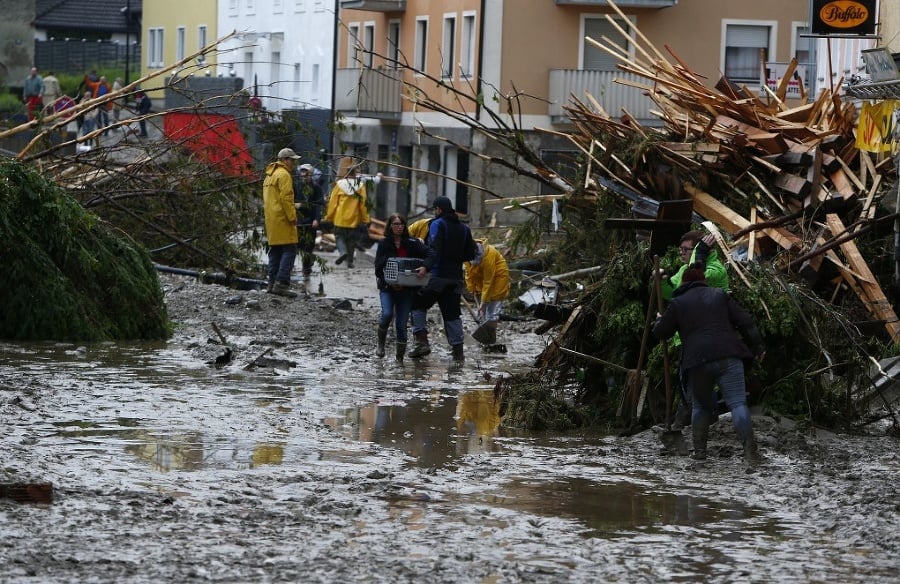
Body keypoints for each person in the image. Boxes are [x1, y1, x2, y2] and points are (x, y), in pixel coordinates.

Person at [652, 266, 766, 465]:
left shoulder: (678, 303)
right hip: (729, 355)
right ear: (703, 280)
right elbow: (746, 321)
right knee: (738, 402)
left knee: (701, 406)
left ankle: (700, 453)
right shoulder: (719, 295)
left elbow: (661, 332)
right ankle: (750, 451)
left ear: (683, 283)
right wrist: (757, 347)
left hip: (697, 361)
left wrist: (659, 321)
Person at [660, 230, 730, 429]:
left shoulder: (716, 270)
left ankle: (680, 425)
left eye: (685, 249)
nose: (681, 253)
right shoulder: (684, 270)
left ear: (699, 250)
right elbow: (672, 292)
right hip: (687, 338)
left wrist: (701, 255)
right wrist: (662, 281)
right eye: (679, 249)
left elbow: (698, 278)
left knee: (697, 384)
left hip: (708, 338)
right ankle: (701, 423)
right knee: (690, 383)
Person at [409, 196, 478, 362]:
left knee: (417, 304)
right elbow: (471, 253)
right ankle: (458, 352)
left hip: (437, 276)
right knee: (452, 314)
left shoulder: (437, 224)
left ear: (438, 209)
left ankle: (422, 342)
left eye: (435, 210)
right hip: (455, 279)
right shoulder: (464, 228)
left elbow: (434, 249)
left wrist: (425, 266)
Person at [373, 213, 428, 360]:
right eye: (396, 224)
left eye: (401, 224)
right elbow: (378, 268)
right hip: (387, 287)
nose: (399, 227)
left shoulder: (412, 243)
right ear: (390, 226)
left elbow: (429, 254)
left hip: (407, 289)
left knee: (402, 324)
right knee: (387, 314)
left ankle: (399, 359)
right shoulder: (384, 244)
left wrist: (425, 267)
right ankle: (381, 344)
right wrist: (390, 281)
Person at [262, 148, 302, 298]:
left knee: (275, 251)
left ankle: (271, 284)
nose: (294, 163)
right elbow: (287, 199)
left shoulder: (269, 175)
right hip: (283, 218)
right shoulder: (284, 175)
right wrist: (292, 217)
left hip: (271, 219)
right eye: (292, 160)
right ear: (285, 160)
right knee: (290, 249)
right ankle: (282, 284)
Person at [324, 157, 370, 269]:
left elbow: (333, 203)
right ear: (355, 173)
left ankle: (342, 252)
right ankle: (350, 261)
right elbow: (363, 204)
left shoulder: (339, 185)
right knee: (351, 241)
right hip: (354, 219)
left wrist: (329, 216)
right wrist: (365, 219)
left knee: (339, 237)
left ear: (346, 173)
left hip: (340, 218)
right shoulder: (360, 186)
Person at [464, 239, 510, 345]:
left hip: (498, 279)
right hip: (482, 280)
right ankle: (484, 338)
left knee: (492, 308)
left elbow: (488, 281)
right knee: (481, 311)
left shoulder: (489, 255)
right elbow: (468, 272)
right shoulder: (466, 253)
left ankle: (491, 338)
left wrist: (483, 301)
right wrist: (472, 288)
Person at [293, 163, 324, 277]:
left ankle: (306, 269)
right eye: (302, 174)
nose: (304, 177)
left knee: (308, 247)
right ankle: (289, 266)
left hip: (310, 221)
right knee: (295, 245)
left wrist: (317, 219)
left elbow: (319, 205)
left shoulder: (316, 188)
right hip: (298, 221)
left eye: (306, 175)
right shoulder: (296, 186)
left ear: (310, 175)